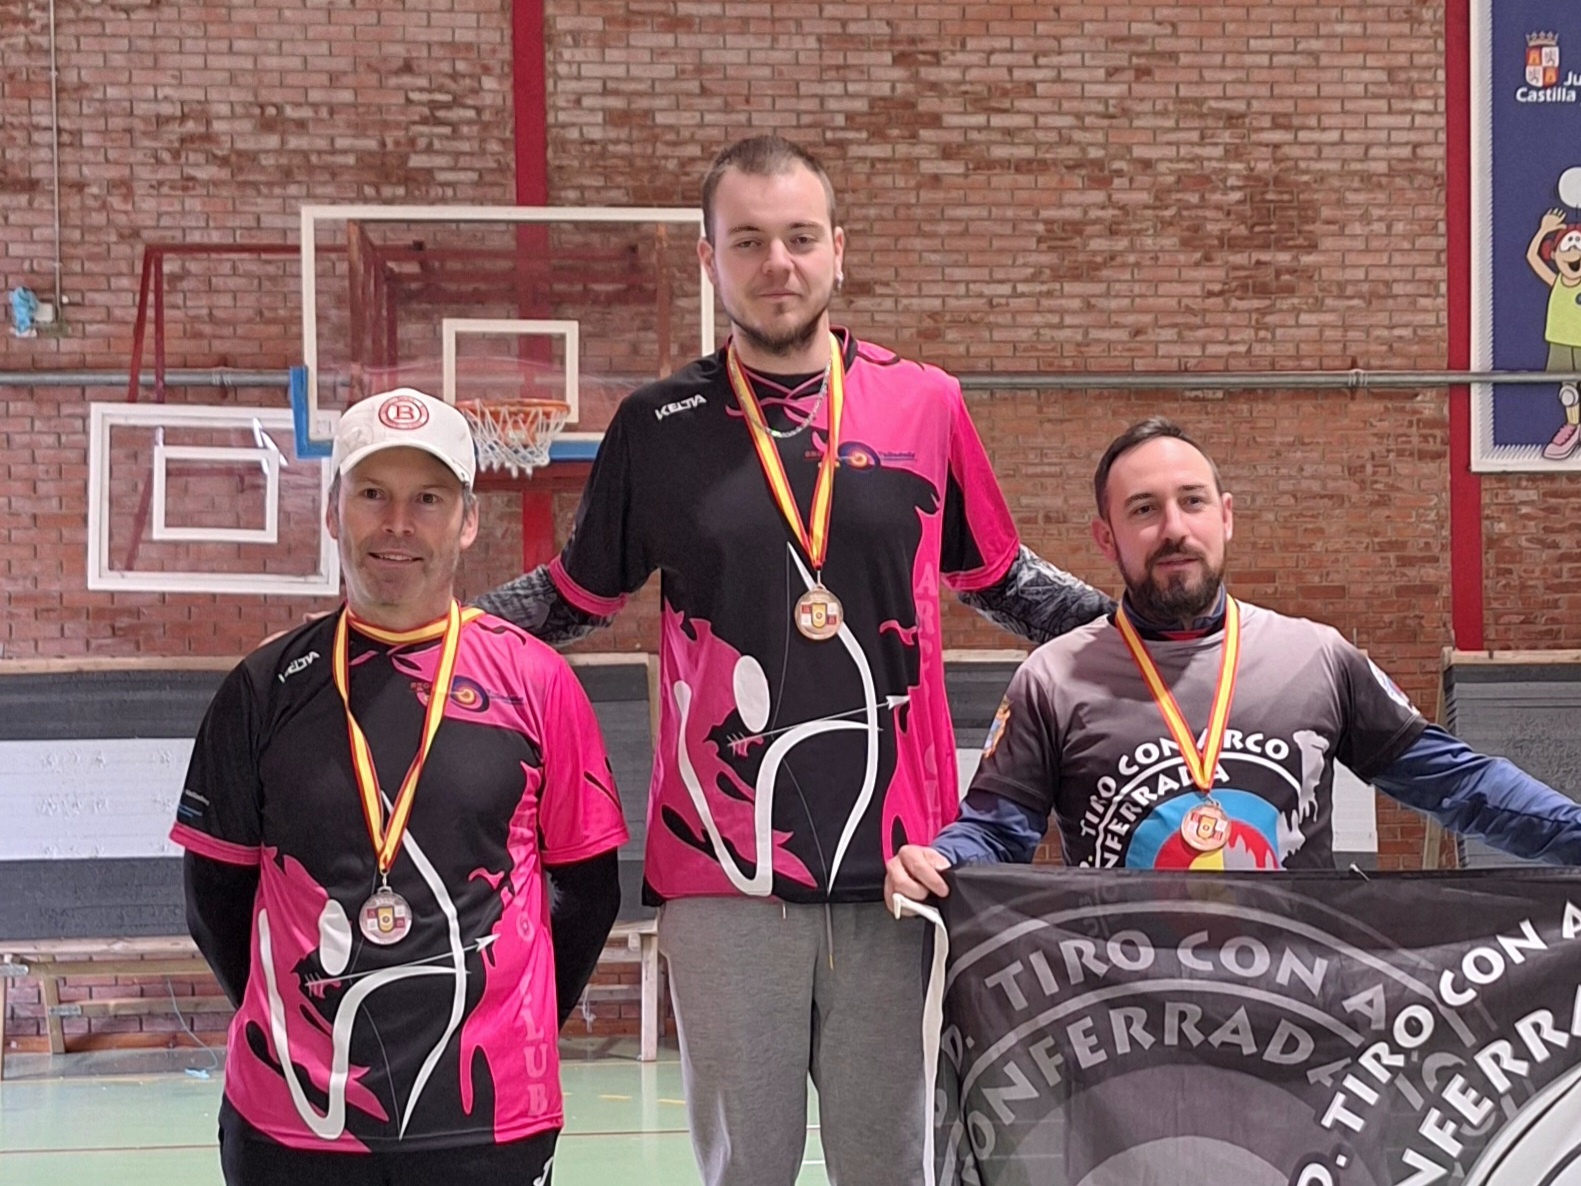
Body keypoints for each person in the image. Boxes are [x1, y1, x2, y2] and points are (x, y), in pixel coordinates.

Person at [475, 135, 1111, 1186]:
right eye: (751, 241)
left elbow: (1003, 578)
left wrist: (1159, 638)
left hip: (905, 878)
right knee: (745, 1175)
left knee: (892, 1172)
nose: (779, 263)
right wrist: (423, 636)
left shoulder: (927, 405)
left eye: (800, 238)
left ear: (838, 251)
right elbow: (574, 596)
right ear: (709, 261)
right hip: (722, 884)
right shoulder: (657, 425)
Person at [171, 387, 628, 1185]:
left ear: (467, 520)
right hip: (294, 1122)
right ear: (333, 511)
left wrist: (512, 1027)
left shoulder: (538, 683)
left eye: (428, 498)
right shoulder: (264, 687)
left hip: (488, 1119)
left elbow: (587, 894)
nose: (397, 524)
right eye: (372, 494)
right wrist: (297, 1025)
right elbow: (214, 898)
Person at [886, 417, 1581, 903]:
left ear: (1225, 516)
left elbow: (1459, 785)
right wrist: (942, 860)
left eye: (1191, 503)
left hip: (1288, 1020)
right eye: (1143, 511)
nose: (1174, 529)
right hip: (1116, 1031)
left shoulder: (1316, 658)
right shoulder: (1054, 677)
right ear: (1107, 538)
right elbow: (996, 831)